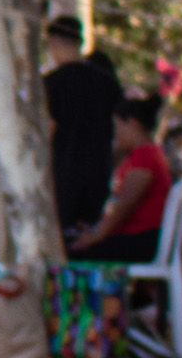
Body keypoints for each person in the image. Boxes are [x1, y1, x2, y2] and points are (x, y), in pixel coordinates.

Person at [67, 94, 172, 265]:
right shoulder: (144, 154)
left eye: (117, 126)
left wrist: (96, 235)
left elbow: (125, 204)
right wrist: (96, 229)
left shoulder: (145, 157)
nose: (116, 134)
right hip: (136, 237)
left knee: (69, 254)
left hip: (140, 241)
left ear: (132, 123)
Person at [41, 16, 121, 240]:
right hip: (100, 173)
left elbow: (49, 127)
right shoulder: (108, 83)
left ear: (54, 41)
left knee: (63, 238)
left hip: (62, 175)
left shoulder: (51, 83)